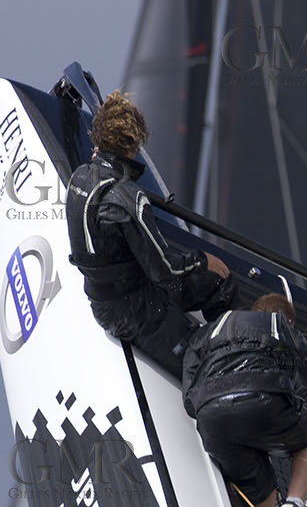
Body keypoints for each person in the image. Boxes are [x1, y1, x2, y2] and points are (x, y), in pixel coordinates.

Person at [66, 90, 235, 378]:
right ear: (133, 141)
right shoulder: (128, 198)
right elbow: (165, 271)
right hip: (133, 308)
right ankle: (222, 356)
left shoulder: (79, 177)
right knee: (204, 364)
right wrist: (203, 260)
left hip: (102, 298)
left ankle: (216, 337)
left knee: (209, 285)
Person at [182, 290, 307, 507]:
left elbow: (189, 383)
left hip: (211, 416)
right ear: (288, 319)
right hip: (262, 399)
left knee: (260, 496)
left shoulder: (213, 328)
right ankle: (294, 506)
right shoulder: (279, 326)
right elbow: (300, 385)